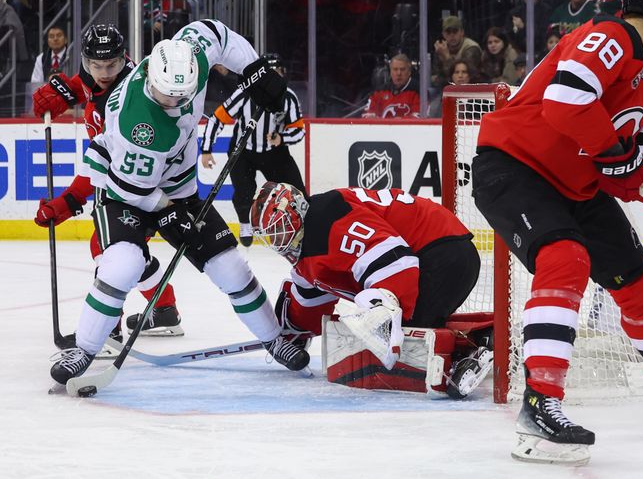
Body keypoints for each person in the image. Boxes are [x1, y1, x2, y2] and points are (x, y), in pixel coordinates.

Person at [471, 0, 643, 465]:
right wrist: (613, 153)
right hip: (514, 167)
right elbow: (567, 103)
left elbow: (638, 164)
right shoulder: (611, 36)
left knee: (638, 282)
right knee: (565, 258)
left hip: (575, 185)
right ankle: (540, 403)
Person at [48, 20, 310, 386]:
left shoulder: (190, 56)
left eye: (181, 95)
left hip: (178, 189)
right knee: (123, 264)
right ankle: (85, 348)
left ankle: (275, 340)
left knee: (230, 266)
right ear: (151, 79)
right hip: (123, 192)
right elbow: (132, 189)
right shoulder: (139, 122)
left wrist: (255, 69)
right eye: (166, 95)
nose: (174, 102)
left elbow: (219, 35)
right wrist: (168, 212)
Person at [250, 183, 491, 399]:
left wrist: (385, 309)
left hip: (443, 253)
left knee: (402, 336)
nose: (278, 240)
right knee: (408, 331)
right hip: (437, 254)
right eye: (271, 235)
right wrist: (292, 333)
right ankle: (483, 333)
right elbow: (311, 294)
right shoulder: (314, 238)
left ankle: (475, 348)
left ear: (297, 210)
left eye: (280, 229)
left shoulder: (330, 221)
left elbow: (395, 261)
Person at [32, 24, 187, 339]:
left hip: (145, 184)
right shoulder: (100, 76)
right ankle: (165, 308)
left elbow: (108, 166)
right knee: (128, 249)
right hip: (123, 183)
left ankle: (107, 327)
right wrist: (63, 91)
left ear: (124, 60)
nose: (104, 72)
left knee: (109, 247)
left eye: (111, 65)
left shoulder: (128, 102)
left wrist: (67, 202)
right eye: (96, 65)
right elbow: (86, 84)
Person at [201, 52, 306, 247]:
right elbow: (218, 118)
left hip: (275, 154)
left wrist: (281, 138)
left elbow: (299, 132)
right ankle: (244, 223)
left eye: (278, 72)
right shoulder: (245, 93)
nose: (274, 76)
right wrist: (206, 149)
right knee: (243, 192)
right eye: (271, 72)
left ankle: (304, 226)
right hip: (244, 151)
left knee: (297, 191)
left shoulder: (288, 98)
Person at [362, 53, 420, 118]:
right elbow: (366, 114)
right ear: (390, 72)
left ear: (409, 72)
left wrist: (400, 122)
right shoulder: (379, 91)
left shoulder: (418, 91)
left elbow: (419, 116)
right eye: (395, 69)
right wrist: (372, 117)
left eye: (402, 69)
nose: (399, 73)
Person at [431, 16, 481, 89]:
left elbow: (466, 77)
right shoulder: (441, 48)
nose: (452, 35)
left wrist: (447, 57)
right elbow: (435, 77)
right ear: (443, 34)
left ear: (462, 32)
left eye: (455, 31)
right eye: (448, 32)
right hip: (447, 87)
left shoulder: (471, 48)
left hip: (472, 88)